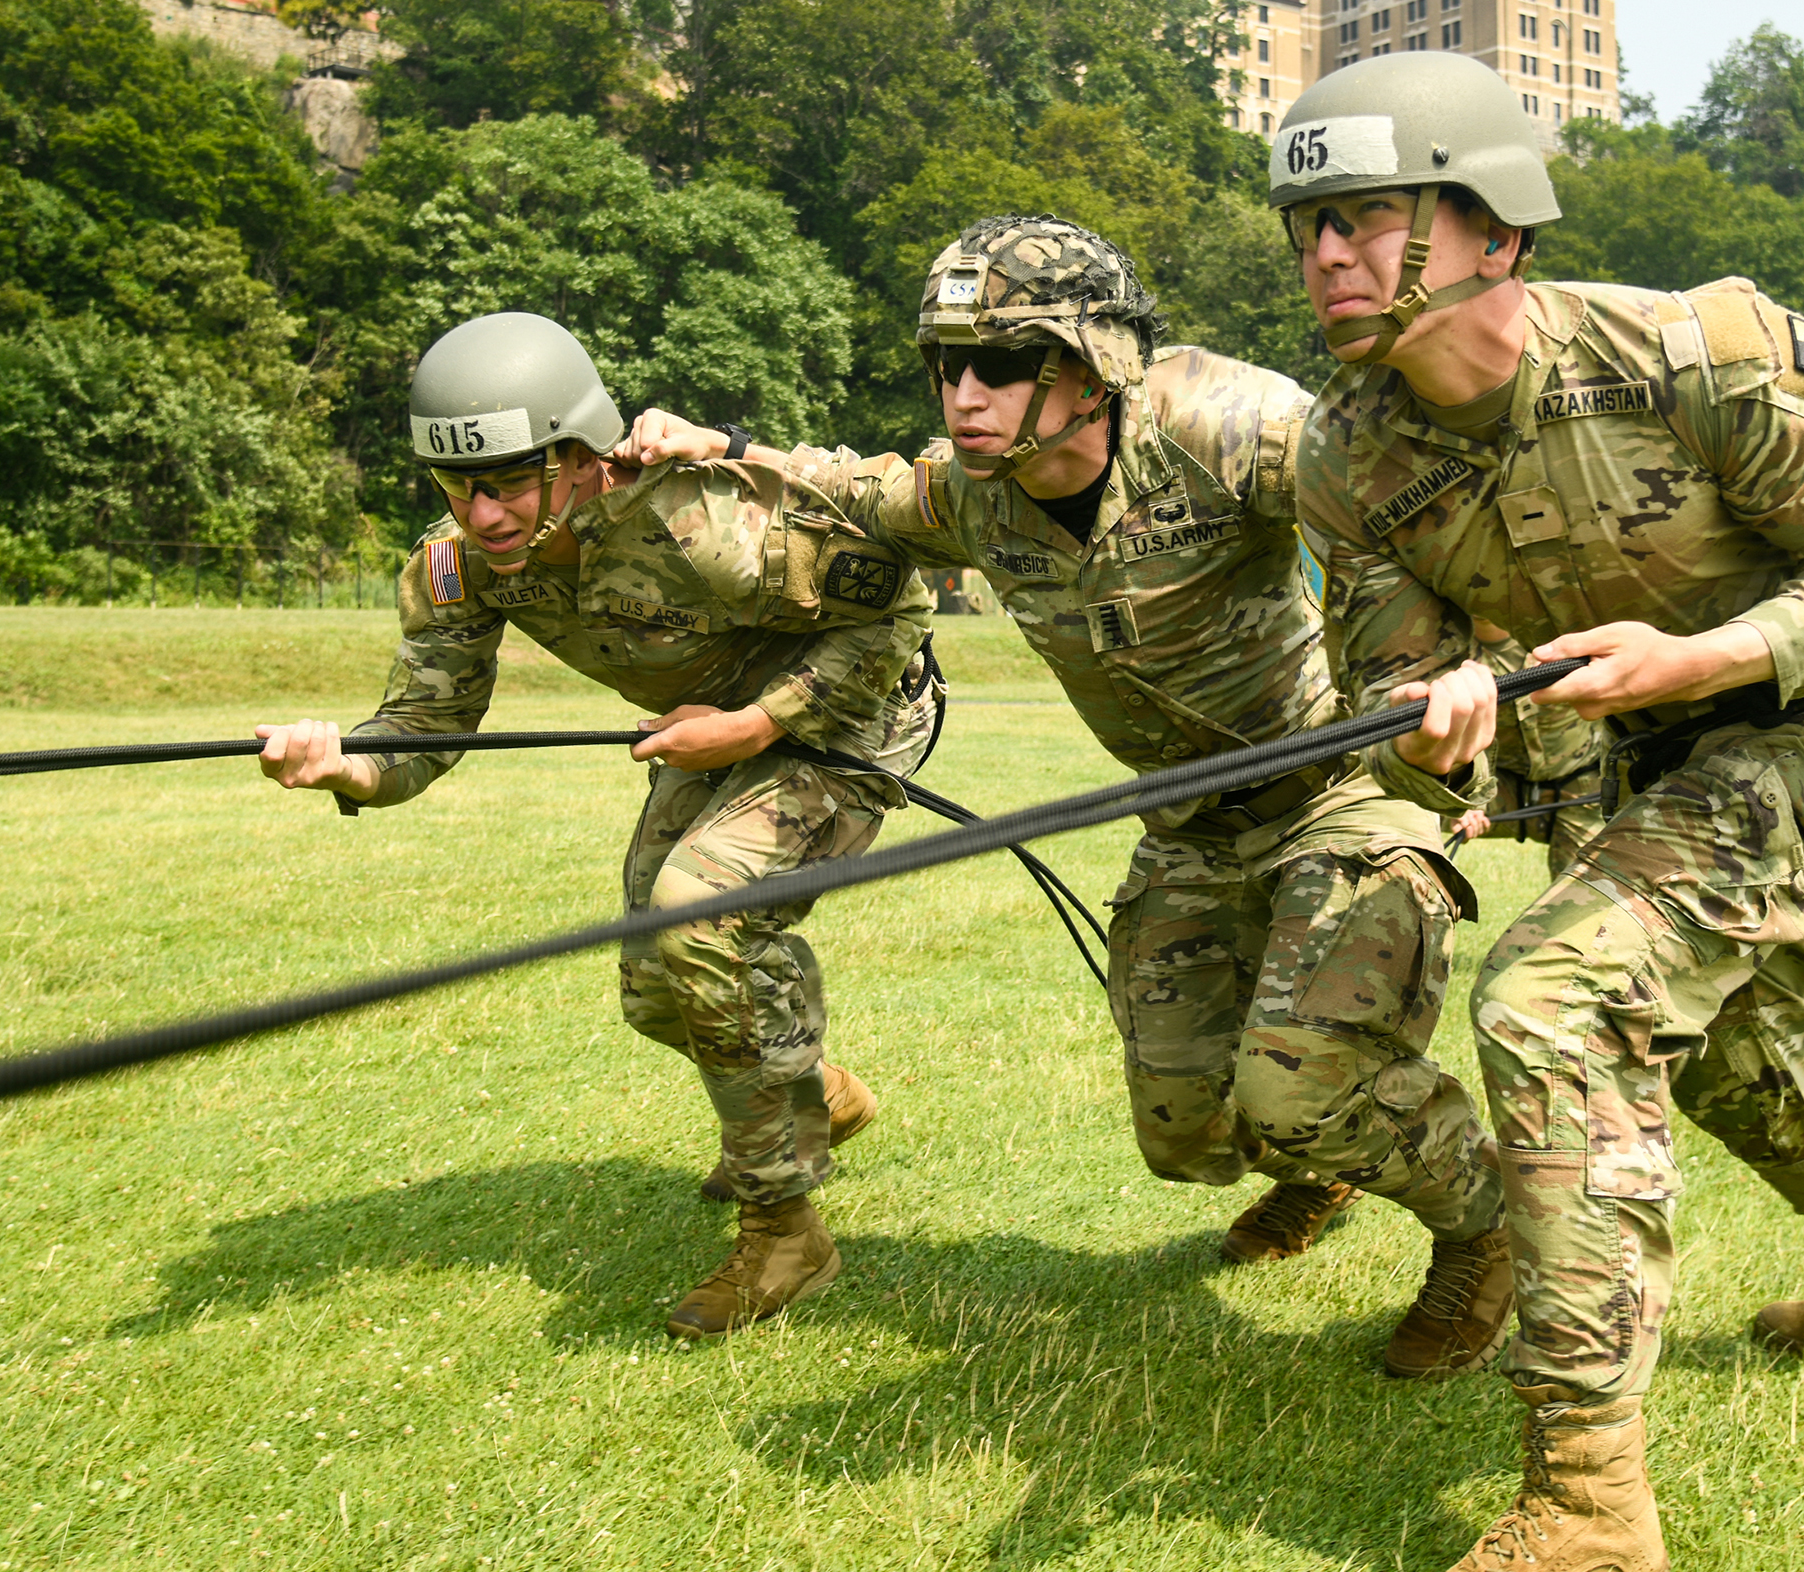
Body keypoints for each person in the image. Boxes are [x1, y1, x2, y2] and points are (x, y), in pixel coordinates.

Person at [1276, 55, 1804, 1572]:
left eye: (1364, 217)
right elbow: (1397, 681)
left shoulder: (1696, 354)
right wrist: (1438, 718)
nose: (1324, 257)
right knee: (1744, 1062)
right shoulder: (1348, 459)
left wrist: (1708, 656)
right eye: (1307, 228)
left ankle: (1591, 1510)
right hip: (1617, 790)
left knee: (1551, 1002)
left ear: (1493, 231)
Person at [632, 214, 1517, 1380]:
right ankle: (1327, 1161)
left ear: (1091, 361)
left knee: (1296, 1080)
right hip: (1191, 825)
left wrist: (1469, 699)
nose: (965, 393)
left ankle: (1487, 1229)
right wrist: (722, 444)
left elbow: (1441, 511)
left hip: (1346, 785)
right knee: (1188, 1136)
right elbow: (858, 489)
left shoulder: (1228, 429)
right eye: (946, 365)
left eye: (1000, 362)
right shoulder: (974, 494)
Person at [253, 312, 937, 1341]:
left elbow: (898, 608)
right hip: (712, 728)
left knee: (699, 913)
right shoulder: (461, 566)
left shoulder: (702, 522)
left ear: (578, 454)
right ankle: (809, 1093)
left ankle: (786, 1234)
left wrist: (758, 721)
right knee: (655, 990)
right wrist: (343, 761)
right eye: (457, 485)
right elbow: (427, 722)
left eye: (509, 480)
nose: (480, 512)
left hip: (850, 713)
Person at [1449, 623, 1604, 877]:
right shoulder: (1445, 651)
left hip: (1582, 787)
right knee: (1406, 810)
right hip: (1500, 785)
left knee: (1585, 892)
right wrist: (1464, 797)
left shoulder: (1563, 630)